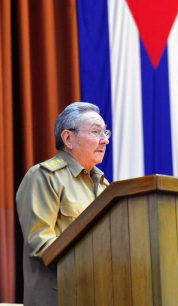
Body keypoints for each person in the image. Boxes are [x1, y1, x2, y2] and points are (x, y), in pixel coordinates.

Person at [16, 102, 110, 306]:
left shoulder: (105, 187)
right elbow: (41, 244)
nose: (104, 141)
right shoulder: (44, 177)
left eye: (105, 133)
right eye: (96, 132)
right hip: (60, 297)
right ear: (68, 138)